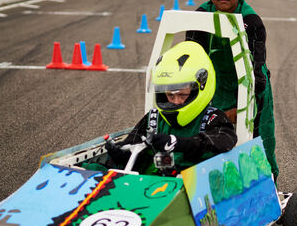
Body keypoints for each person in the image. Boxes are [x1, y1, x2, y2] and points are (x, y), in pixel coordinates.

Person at [186, 0, 279, 181]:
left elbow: (257, 71)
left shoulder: (251, 21)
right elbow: (191, 61)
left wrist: (242, 108)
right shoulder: (199, 17)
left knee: (257, 140)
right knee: (209, 138)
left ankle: (267, 185)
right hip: (214, 84)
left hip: (251, 84)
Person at [93, 41, 237, 175]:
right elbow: (133, 145)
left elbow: (226, 140)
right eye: (169, 95)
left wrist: (177, 142)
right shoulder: (155, 118)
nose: (175, 102)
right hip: (156, 186)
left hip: (194, 186)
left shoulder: (212, 117)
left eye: (182, 94)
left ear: (201, 87)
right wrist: (121, 153)